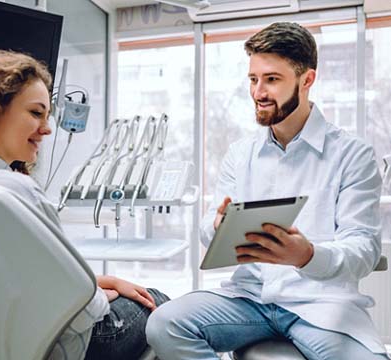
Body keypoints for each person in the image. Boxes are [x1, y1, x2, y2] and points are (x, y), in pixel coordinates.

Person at [146, 22, 389, 360]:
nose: (259, 92)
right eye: (253, 79)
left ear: (307, 80)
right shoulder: (240, 153)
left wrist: (306, 256)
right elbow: (208, 228)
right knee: (164, 324)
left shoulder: (353, 155)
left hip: (320, 304)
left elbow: (363, 248)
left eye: (272, 79)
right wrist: (217, 226)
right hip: (251, 300)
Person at [0, 49, 169, 360]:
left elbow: (6, 281)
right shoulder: (15, 191)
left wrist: (97, 283)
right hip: (69, 345)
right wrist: (97, 294)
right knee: (160, 302)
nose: (47, 128)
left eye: (47, 116)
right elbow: (85, 311)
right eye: (35, 113)